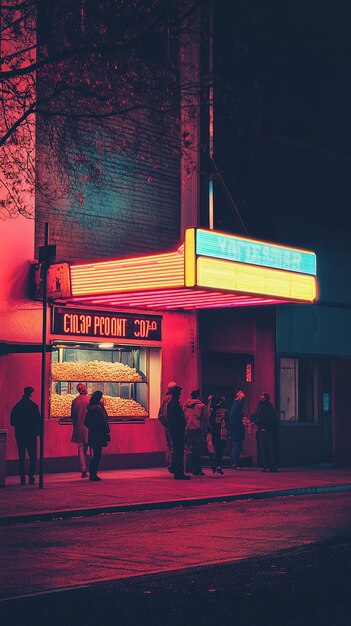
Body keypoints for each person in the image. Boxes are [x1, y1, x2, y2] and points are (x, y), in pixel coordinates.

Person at [10, 386, 42, 485]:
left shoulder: (17, 406)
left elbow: (12, 422)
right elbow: (38, 421)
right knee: (32, 456)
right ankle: (31, 476)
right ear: (31, 393)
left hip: (20, 434)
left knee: (21, 455)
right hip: (31, 434)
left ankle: (22, 477)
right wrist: (39, 432)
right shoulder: (33, 406)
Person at [84, 390, 110, 481]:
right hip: (99, 434)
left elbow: (86, 422)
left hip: (92, 433)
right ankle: (93, 474)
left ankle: (92, 473)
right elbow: (104, 420)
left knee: (95, 454)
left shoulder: (89, 408)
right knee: (97, 455)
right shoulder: (98, 409)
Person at [166, 381, 190, 480]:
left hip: (174, 430)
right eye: (179, 392)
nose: (180, 394)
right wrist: (182, 421)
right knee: (178, 451)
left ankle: (177, 471)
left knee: (177, 450)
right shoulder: (174, 404)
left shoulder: (171, 403)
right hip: (177, 431)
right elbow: (176, 418)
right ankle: (178, 472)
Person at [250, 392, 279, 472]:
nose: (261, 397)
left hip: (268, 431)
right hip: (264, 431)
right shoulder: (261, 407)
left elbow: (269, 420)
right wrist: (253, 419)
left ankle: (270, 465)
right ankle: (267, 465)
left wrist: (255, 420)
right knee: (266, 449)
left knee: (269, 448)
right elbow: (257, 417)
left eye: (262, 396)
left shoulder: (267, 408)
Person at [183, 389, 209, 476]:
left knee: (191, 450)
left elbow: (183, 417)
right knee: (198, 450)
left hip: (188, 428)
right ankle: (197, 469)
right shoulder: (202, 406)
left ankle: (192, 468)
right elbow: (205, 419)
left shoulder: (185, 405)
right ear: (198, 396)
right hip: (197, 429)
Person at [70, 383, 90, 478]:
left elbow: (73, 416)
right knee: (91, 449)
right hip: (89, 428)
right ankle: (92, 468)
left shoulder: (75, 401)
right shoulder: (89, 400)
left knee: (81, 450)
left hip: (79, 428)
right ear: (84, 389)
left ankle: (83, 469)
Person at [208, 394, 229, 475]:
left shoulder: (212, 411)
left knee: (214, 448)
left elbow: (209, 420)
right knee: (220, 449)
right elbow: (228, 422)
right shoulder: (225, 411)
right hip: (222, 431)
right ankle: (218, 465)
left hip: (214, 431)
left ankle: (214, 464)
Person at [158, 385, 174, 473]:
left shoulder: (164, 399)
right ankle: (172, 462)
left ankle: (169, 462)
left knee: (168, 444)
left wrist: (164, 423)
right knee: (173, 444)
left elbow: (160, 414)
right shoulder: (171, 400)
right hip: (171, 424)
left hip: (166, 424)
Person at [229, 390, 246, 470]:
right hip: (237, 429)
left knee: (235, 446)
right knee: (237, 446)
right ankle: (234, 463)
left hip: (235, 429)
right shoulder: (238, 406)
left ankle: (234, 462)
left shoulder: (234, 406)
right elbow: (235, 419)